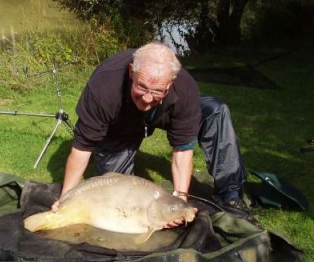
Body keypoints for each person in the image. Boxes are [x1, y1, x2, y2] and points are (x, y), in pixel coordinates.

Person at [53, 41, 259, 226]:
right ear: (132, 71)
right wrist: (65, 200)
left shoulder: (185, 88)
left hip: (165, 113)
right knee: (119, 196)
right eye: (142, 87)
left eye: (158, 90)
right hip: (120, 122)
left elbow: (182, 151)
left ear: (170, 84)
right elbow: (82, 149)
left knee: (215, 109)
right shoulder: (104, 87)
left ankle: (230, 193)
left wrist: (180, 201)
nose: (147, 98)